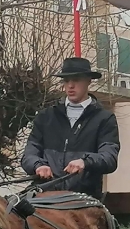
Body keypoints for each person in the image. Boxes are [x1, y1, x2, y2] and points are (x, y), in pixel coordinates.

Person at [22, 57, 121, 199]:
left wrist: (85, 162)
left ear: (88, 81)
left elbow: (109, 157)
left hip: (84, 199)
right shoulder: (46, 116)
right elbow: (29, 153)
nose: (70, 85)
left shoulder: (105, 119)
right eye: (66, 80)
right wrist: (38, 165)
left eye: (76, 80)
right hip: (45, 195)